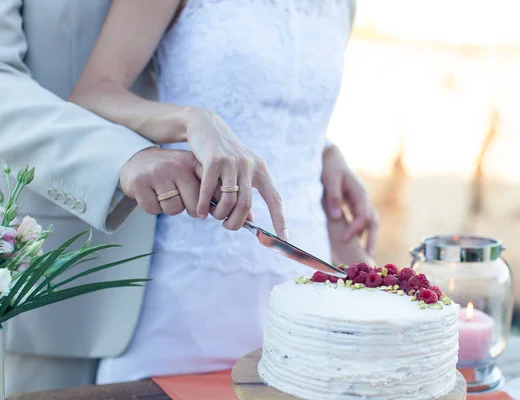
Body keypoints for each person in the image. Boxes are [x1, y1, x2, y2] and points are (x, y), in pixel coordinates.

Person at [0, 0, 375, 393]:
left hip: (301, 288)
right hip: (181, 292)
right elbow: (94, 90)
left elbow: (276, 100)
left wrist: (323, 154)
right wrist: (187, 120)